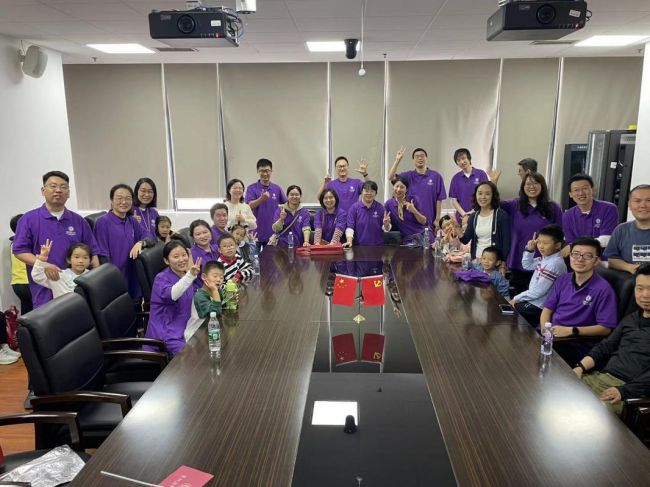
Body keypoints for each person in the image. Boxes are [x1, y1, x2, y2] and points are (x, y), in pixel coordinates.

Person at [13, 170, 99, 309]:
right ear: (43, 191)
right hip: (44, 290)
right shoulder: (29, 219)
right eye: (53, 186)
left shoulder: (79, 221)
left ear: (68, 193)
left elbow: (93, 252)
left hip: (76, 293)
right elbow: (19, 251)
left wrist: (96, 281)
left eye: (63, 187)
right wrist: (44, 265)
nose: (58, 190)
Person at [573, 264, 650, 415]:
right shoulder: (631, 319)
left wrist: (623, 391)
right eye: (640, 288)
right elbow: (606, 346)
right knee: (557, 392)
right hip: (600, 377)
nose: (645, 295)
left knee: (586, 416)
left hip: (627, 392)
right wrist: (580, 367)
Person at [540, 237, 617, 363]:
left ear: (596, 261)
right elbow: (547, 309)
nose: (580, 259)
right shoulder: (562, 280)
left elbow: (605, 328)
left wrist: (572, 331)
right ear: (570, 256)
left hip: (575, 343)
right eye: (575, 254)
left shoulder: (604, 289)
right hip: (552, 337)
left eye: (587, 256)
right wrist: (545, 332)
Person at [500, 172, 563, 296]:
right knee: (518, 297)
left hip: (546, 262)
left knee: (541, 298)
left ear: (542, 186)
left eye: (536, 183)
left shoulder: (553, 207)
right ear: (523, 187)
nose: (532, 187)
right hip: (518, 260)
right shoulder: (515, 205)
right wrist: (493, 182)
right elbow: (494, 203)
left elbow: (560, 233)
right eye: (528, 184)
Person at [94, 184, 152, 298]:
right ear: (111, 200)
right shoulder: (102, 222)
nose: (124, 202)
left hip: (133, 276)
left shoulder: (131, 220)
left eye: (128, 198)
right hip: (115, 279)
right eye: (119, 198)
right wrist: (111, 280)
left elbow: (149, 236)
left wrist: (141, 243)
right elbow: (103, 257)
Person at [145, 241, 201, 356]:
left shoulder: (186, 275)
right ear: (166, 261)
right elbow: (173, 294)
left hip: (186, 328)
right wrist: (190, 275)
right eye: (176, 257)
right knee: (194, 358)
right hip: (167, 335)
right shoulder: (161, 278)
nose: (181, 260)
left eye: (184, 255)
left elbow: (197, 294)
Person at [510, 224, 567, 326]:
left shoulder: (554, 263)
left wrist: (516, 298)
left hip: (540, 305)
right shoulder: (546, 258)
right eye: (539, 242)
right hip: (535, 301)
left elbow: (538, 292)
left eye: (545, 243)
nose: (540, 246)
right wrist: (529, 250)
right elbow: (527, 265)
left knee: (510, 312)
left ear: (558, 245)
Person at [388, 146, 446, 230]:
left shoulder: (436, 176)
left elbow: (439, 199)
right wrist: (397, 160)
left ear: (426, 159)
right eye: (417, 156)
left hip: (430, 220)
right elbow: (391, 177)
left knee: (428, 237)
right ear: (413, 160)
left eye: (422, 156)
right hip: (411, 222)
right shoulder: (408, 176)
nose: (420, 158)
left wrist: (437, 219)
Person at [562, 173, 618, 256]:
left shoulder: (609, 208)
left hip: (603, 258)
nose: (581, 193)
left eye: (585, 188)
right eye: (576, 190)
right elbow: (570, 241)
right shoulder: (567, 215)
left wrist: (575, 246)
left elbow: (607, 239)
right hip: (579, 258)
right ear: (570, 194)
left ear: (592, 190)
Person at [603, 184, 650, 274]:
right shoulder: (621, 230)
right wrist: (632, 268)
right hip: (629, 281)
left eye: (649, 200)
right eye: (637, 201)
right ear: (629, 205)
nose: (643, 205)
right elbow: (612, 260)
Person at [458, 181, 510, 261]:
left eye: (487, 194)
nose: (483, 197)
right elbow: (465, 240)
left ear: (493, 196)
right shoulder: (473, 217)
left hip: (494, 263)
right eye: (480, 193)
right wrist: (457, 229)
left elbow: (506, 243)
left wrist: (502, 262)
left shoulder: (501, 216)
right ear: (476, 195)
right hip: (477, 261)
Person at [245, 158, 287, 247]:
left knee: (271, 256)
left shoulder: (277, 188)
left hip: (272, 233)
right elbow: (249, 206)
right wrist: (262, 198)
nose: (265, 174)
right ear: (257, 171)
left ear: (271, 171)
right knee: (254, 256)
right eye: (262, 171)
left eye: (267, 171)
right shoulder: (251, 188)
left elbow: (286, 204)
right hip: (255, 233)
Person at [184, 260, 225, 342]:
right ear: (204, 277)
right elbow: (215, 312)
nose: (218, 280)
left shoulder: (217, 290)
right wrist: (215, 291)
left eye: (221, 277)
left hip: (209, 330)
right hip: (195, 335)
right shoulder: (199, 296)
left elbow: (222, 306)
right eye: (215, 276)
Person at [345, 180, 391, 247]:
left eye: (372, 191)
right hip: (358, 247)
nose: (369, 193)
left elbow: (386, 229)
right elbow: (350, 228)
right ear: (361, 192)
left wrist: (386, 225)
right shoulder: (353, 208)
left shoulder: (381, 208)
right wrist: (349, 242)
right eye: (366, 191)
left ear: (376, 193)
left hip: (377, 247)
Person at [448, 148, 488, 224]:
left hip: (479, 215)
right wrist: (464, 215)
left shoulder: (481, 174)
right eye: (458, 160)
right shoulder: (456, 178)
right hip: (462, 218)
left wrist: (472, 212)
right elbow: (454, 200)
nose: (462, 162)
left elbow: (486, 196)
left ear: (469, 159)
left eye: (463, 158)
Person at [384, 176, 427, 246]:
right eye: (397, 186)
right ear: (393, 187)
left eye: (402, 187)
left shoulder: (413, 199)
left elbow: (424, 221)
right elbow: (387, 227)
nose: (398, 189)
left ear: (406, 190)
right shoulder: (389, 204)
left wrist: (414, 210)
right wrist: (386, 225)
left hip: (422, 236)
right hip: (407, 241)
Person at [9, 214, 32, 315]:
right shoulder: (25, 243)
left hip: (17, 283)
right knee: (35, 311)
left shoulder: (14, 243)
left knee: (26, 311)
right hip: (26, 282)